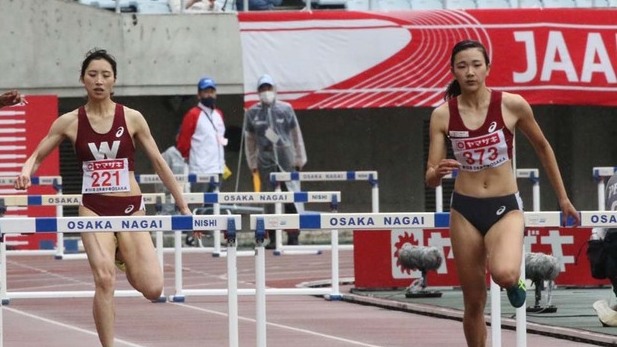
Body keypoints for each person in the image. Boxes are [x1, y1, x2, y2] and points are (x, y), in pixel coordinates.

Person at [14, 48, 193, 347]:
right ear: (82, 80)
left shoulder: (132, 118)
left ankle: (121, 252)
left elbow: (160, 163)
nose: (99, 81)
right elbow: (37, 154)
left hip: (131, 208)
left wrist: (184, 207)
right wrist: (25, 170)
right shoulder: (69, 122)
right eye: (92, 74)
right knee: (104, 279)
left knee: (153, 288)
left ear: (114, 81)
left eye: (105, 75)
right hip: (94, 209)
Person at [424, 40, 579, 347]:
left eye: (476, 65)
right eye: (462, 66)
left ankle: (513, 282)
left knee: (505, 274)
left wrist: (563, 198)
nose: (470, 72)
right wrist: (437, 173)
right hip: (464, 209)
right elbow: (430, 176)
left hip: (505, 206)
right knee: (473, 302)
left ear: (488, 68)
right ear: (453, 72)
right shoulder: (442, 115)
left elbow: (543, 148)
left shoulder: (512, 105)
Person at [244, 74, 307, 248]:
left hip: (285, 156)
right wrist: (252, 163)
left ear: (274, 89)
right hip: (265, 158)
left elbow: (296, 134)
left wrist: (299, 158)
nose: (266, 92)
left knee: (291, 196)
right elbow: (249, 140)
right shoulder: (252, 113)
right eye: (262, 89)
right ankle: (272, 236)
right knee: (269, 198)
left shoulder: (286, 109)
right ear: (258, 92)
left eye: (268, 88)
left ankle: (293, 234)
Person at [177, 76, 227, 245]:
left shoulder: (219, 114)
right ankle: (192, 236)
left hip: (218, 168)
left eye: (212, 91)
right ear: (199, 95)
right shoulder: (193, 114)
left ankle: (211, 238)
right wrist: (190, 160)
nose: (209, 94)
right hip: (200, 169)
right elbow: (183, 142)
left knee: (213, 206)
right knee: (198, 204)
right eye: (205, 91)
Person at [590, 172, 617, 326]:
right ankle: (607, 312)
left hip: (611, 241)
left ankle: (606, 312)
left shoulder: (612, 180)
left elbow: (605, 212)